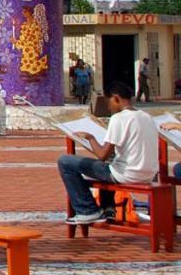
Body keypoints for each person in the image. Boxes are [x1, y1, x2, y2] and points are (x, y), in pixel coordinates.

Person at [57, 81, 158, 225]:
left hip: (127, 174)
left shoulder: (119, 118)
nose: (109, 106)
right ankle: (107, 208)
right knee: (107, 166)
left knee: (65, 162)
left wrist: (90, 138)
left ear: (116, 98)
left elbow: (102, 155)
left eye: (109, 102)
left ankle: (87, 210)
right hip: (148, 173)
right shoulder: (146, 116)